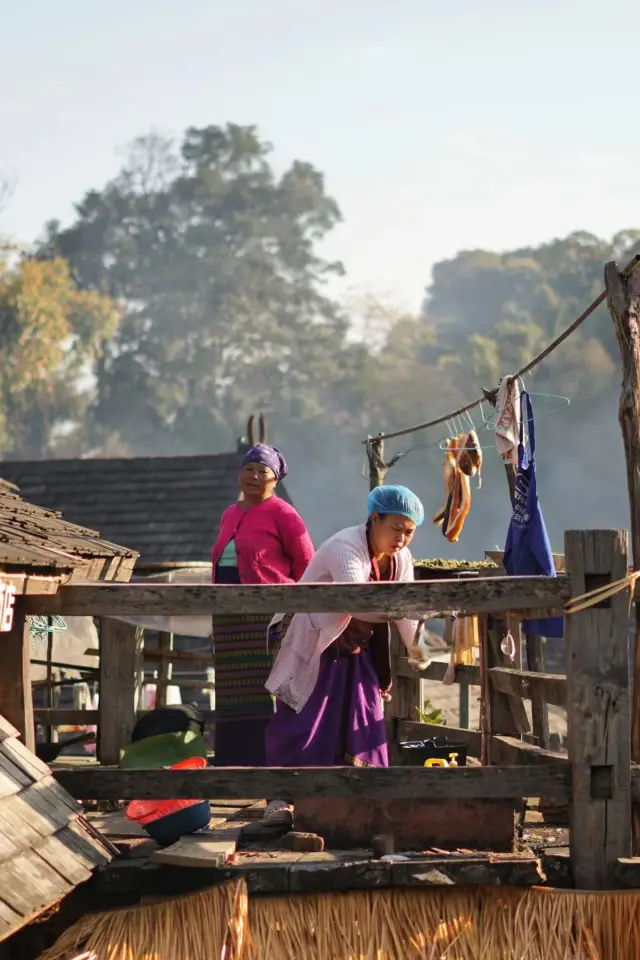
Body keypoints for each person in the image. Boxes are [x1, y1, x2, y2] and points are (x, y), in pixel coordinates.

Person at [262, 484, 431, 825]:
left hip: (354, 645)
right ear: (374, 518)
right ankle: (281, 799)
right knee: (301, 722)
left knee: (364, 717)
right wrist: (404, 616)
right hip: (312, 639)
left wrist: (416, 643)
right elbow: (359, 602)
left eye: (409, 531)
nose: (401, 538)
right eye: (395, 527)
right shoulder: (345, 547)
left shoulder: (402, 558)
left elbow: (405, 607)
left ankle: (361, 798)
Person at [210, 443, 314, 767]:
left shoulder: (283, 513)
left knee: (265, 692)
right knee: (232, 694)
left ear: (274, 480)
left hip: (266, 620)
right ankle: (234, 763)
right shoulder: (230, 513)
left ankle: (270, 764)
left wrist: (287, 602)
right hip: (229, 621)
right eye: (249, 469)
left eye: (262, 471)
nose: (254, 476)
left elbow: (307, 565)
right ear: (240, 474)